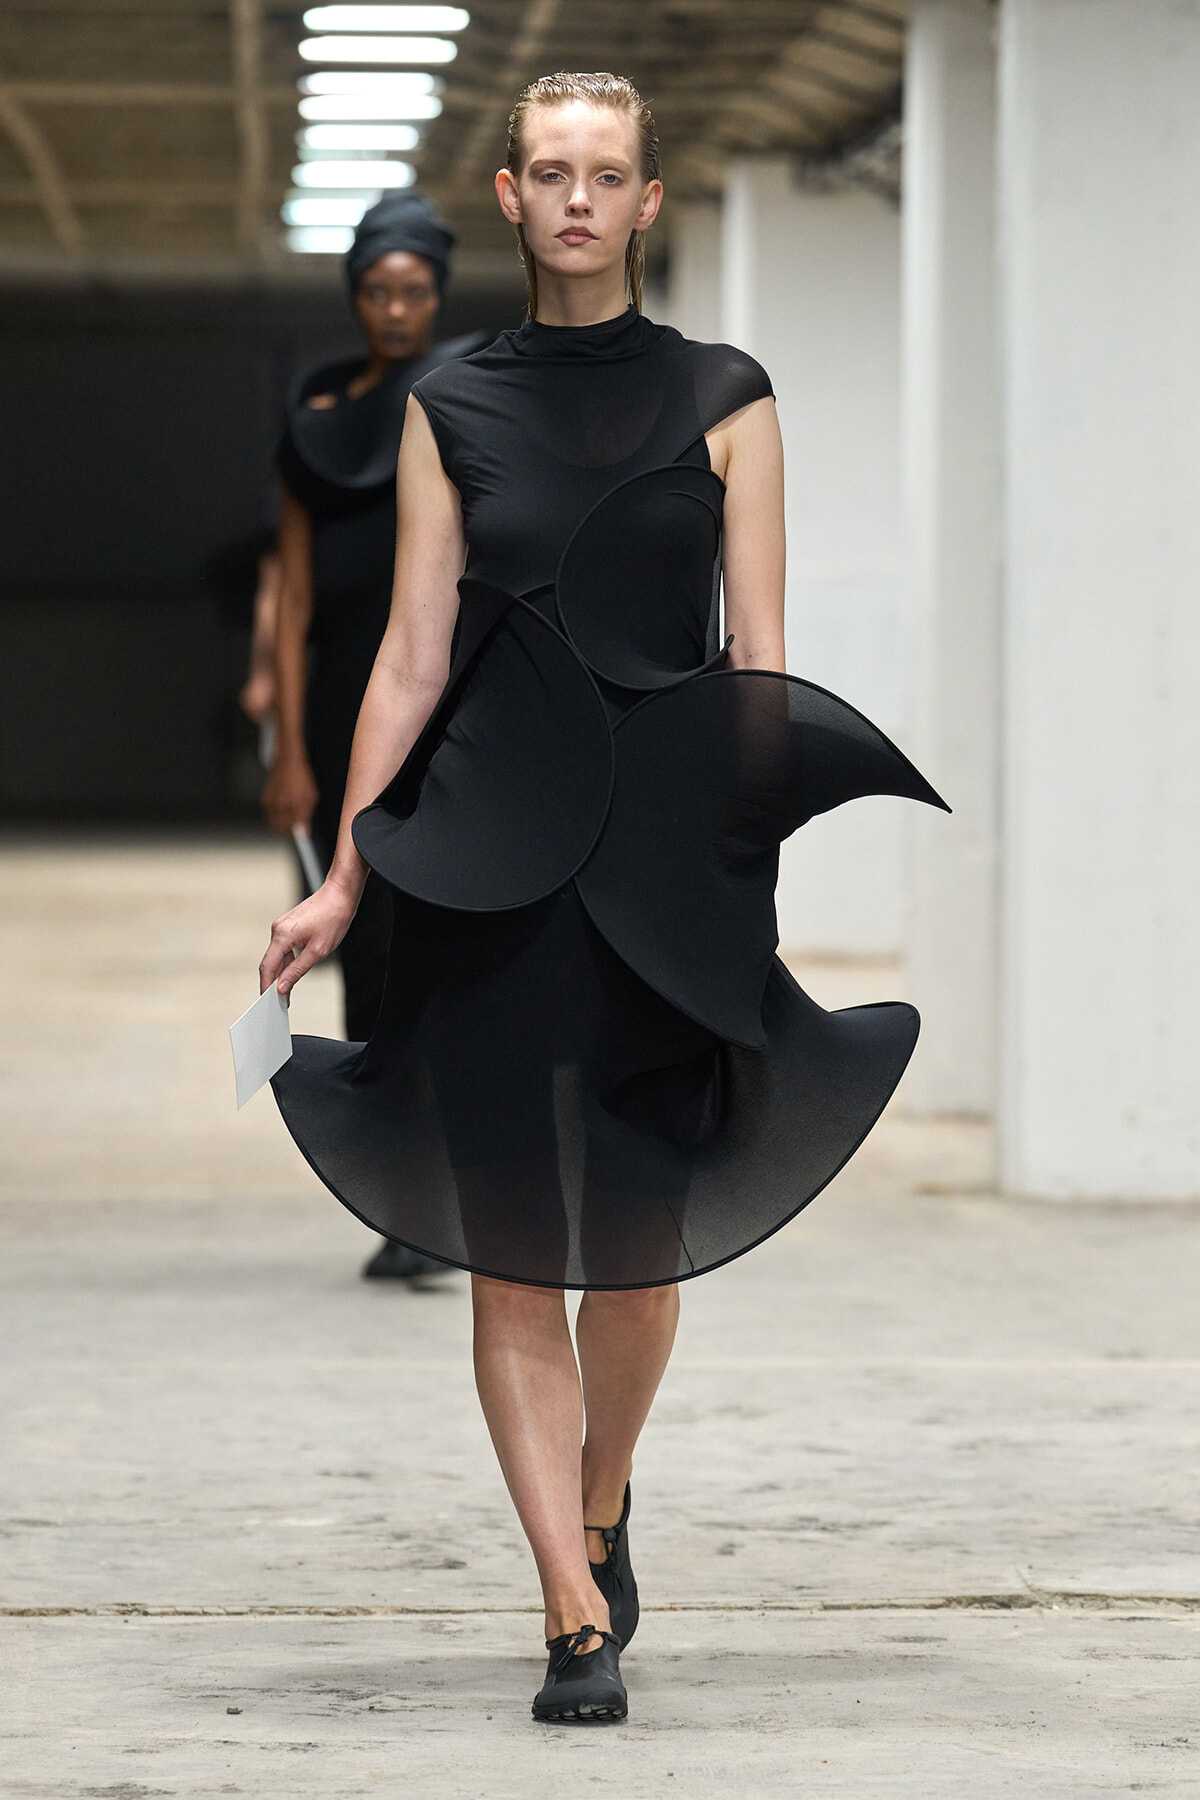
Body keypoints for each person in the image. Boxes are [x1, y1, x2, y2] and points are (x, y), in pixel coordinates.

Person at [259, 73, 947, 1724]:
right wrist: (352, 869)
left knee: (635, 1257)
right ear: (509, 196)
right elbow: (413, 656)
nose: (577, 199)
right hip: (482, 871)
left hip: (667, 865)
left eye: (608, 174)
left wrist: (748, 856)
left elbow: (761, 660)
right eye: (551, 173)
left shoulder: (728, 394)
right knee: (513, 1254)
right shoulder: (449, 401)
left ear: (647, 201)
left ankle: (605, 1489)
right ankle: (574, 1610)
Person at [262, 191, 483, 1283]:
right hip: (341, 699)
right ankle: (402, 1197)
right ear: (356, 297)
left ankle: (442, 1184)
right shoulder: (311, 409)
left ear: (438, 294)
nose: (397, 308)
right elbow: (293, 594)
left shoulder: (463, 392)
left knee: (439, 944)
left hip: (436, 703)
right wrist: (293, 750)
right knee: (364, 944)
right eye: (379, 291)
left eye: (415, 291)